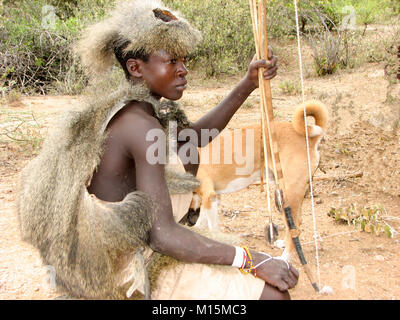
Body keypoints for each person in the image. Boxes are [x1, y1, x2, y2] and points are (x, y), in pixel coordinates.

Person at [17, 0, 298, 300]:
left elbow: (189, 141)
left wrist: (247, 84)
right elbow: (164, 236)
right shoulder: (140, 125)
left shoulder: (137, 111)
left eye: (184, 59)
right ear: (135, 68)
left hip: (143, 250)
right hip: (126, 272)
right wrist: (253, 259)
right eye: (172, 61)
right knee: (272, 296)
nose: (183, 70)